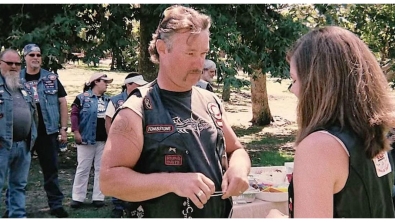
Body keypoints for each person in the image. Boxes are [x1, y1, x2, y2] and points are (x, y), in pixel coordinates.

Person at [99, 5, 251, 218]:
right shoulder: (137, 108)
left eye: (203, 53)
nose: (199, 63)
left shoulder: (210, 101)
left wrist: (239, 169)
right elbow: (109, 180)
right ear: (162, 48)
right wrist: (172, 182)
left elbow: (236, 150)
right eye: (190, 53)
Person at [267, 26, 395, 218]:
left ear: (317, 82)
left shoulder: (319, 147)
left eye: (294, 80)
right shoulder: (375, 132)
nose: (292, 90)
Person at [18, 43, 69, 218]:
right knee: (19, 171)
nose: (35, 58)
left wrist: (63, 129)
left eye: (38, 55)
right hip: (23, 133)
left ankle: (56, 206)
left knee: (51, 170)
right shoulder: (16, 79)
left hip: (48, 132)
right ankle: (16, 208)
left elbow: (62, 102)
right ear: (24, 57)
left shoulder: (51, 78)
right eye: (31, 55)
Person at [0, 49, 37, 218]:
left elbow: (33, 114)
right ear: (1, 64)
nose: (14, 67)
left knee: (19, 185)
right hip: (2, 146)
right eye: (9, 63)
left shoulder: (23, 87)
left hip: (23, 145)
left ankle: (18, 217)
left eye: (17, 64)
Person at [104, 72, 148, 218]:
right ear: (128, 85)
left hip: (138, 143)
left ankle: (135, 202)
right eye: (137, 84)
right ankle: (117, 205)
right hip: (119, 144)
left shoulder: (145, 99)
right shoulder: (116, 101)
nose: (141, 87)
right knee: (118, 173)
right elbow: (108, 120)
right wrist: (114, 141)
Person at [70, 72, 113, 209]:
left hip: (104, 139)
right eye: (104, 82)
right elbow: (74, 115)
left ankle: (98, 197)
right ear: (95, 82)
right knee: (83, 168)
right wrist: (76, 131)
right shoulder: (81, 98)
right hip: (86, 138)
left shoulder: (109, 101)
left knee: (101, 168)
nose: (106, 84)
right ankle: (77, 197)